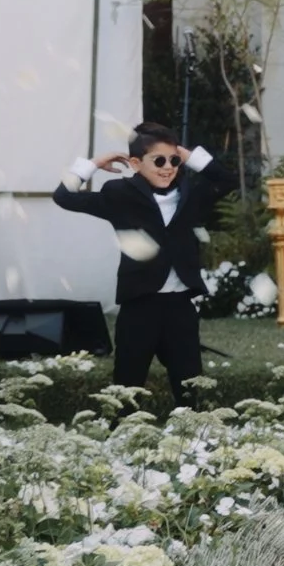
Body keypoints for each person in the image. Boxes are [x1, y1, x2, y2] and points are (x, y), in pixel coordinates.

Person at [55, 122, 229, 406]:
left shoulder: (191, 193)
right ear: (136, 163)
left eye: (173, 160)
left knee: (190, 384)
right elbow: (64, 197)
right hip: (139, 304)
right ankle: (121, 435)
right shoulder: (119, 194)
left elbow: (226, 180)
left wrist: (187, 154)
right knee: (126, 383)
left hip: (180, 305)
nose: (167, 167)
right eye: (158, 160)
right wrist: (95, 163)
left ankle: (194, 438)